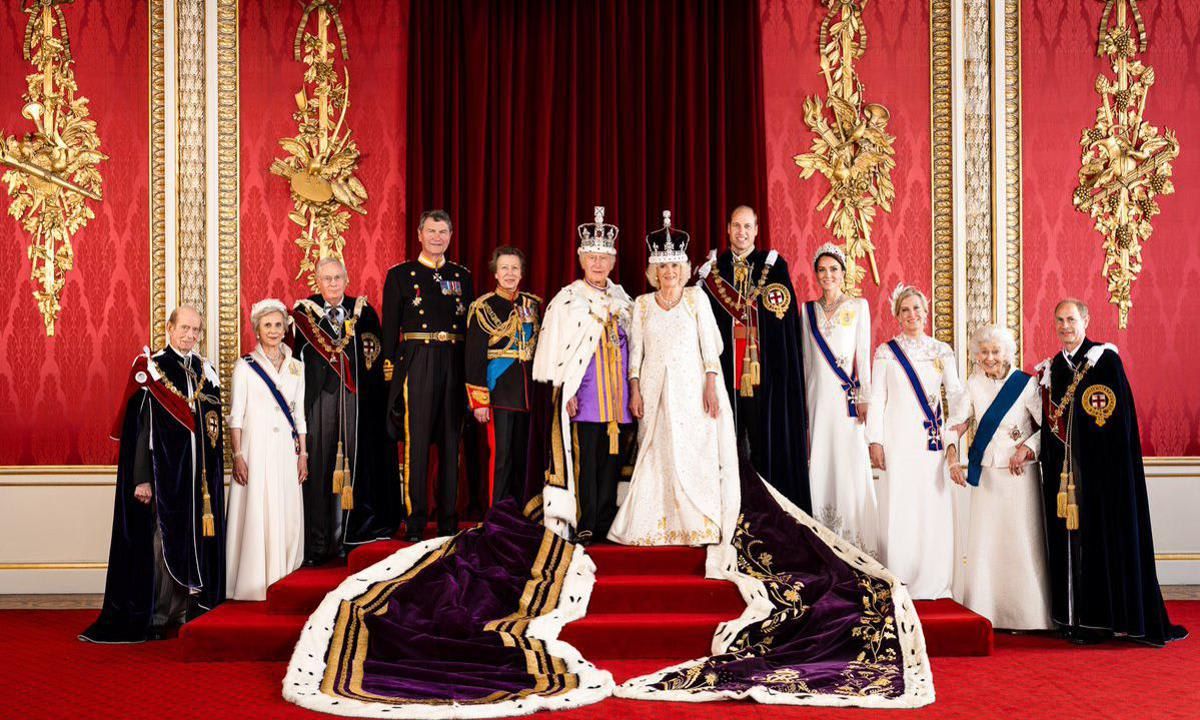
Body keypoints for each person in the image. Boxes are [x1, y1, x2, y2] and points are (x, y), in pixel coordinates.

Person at [1037, 298, 1186, 646]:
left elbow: (1118, 423)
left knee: (1100, 542)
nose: (1065, 326)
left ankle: (1103, 622)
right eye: (1059, 320)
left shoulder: (1105, 361)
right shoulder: (1053, 368)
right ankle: (1071, 619)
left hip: (1103, 477)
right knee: (1068, 544)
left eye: (1071, 319)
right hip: (1064, 479)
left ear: (1086, 320)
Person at [80, 306, 225, 643]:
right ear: (169, 328)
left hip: (196, 482)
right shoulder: (152, 368)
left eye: (196, 330)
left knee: (192, 543)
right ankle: (159, 615)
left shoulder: (204, 370)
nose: (190, 335)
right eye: (184, 328)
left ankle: (185, 610)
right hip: (164, 478)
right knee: (163, 542)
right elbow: (141, 428)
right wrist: (141, 478)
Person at [609, 212, 735, 546]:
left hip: (692, 389)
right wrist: (634, 389)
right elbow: (635, 353)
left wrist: (711, 384)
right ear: (654, 271)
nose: (669, 273)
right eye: (663, 267)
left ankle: (697, 523)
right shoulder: (643, 304)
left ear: (684, 268)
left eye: (675, 267)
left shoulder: (696, 298)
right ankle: (654, 525)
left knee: (693, 450)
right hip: (653, 390)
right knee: (656, 452)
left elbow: (711, 348)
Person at [532, 206, 635, 543]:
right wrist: (566, 391)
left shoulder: (624, 300)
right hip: (586, 396)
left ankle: (607, 521)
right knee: (586, 463)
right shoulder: (568, 300)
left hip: (618, 399)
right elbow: (557, 353)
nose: (597, 264)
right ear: (581, 259)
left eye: (603, 258)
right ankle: (586, 521)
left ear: (612, 262)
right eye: (591, 257)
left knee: (611, 463)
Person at [698, 205, 811, 511]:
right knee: (727, 445)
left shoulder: (773, 267)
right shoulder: (713, 271)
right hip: (724, 374)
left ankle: (766, 511)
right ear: (727, 229)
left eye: (747, 226)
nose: (742, 232)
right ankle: (728, 510)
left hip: (763, 376)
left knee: (763, 445)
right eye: (736, 226)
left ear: (756, 230)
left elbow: (783, 321)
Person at [292, 257, 399, 564]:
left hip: (355, 404)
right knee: (322, 467)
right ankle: (319, 542)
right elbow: (297, 364)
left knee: (352, 468)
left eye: (338, 277)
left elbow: (374, 362)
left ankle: (349, 536)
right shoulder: (304, 313)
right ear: (318, 282)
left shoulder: (363, 313)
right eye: (327, 278)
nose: (333, 283)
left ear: (347, 279)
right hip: (320, 402)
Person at [944, 324, 1051, 630]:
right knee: (988, 543)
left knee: (1021, 540)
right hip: (989, 473)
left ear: (1008, 352)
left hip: (1020, 475)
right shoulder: (973, 383)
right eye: (983, 352)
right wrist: (953, 457)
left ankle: (1030, 615)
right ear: (976, 356)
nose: (989, 358)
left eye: (995, 351)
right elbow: (957, 423)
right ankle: (989, 611)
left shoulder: (1027, 384)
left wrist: (1028, 449)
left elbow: (1048, 428)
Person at [865, 284, 963, 599]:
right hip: (897, 441)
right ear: (897, 315)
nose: (912, 315)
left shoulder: (941, 350)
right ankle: (900, 574)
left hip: (930, 444)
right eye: (905, 310)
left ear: (926, 312)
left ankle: (933, 577)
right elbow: (877, 398)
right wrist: (875, 440)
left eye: (917, 309)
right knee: (900, 505)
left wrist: (956, 429)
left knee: (930, 506)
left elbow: (957, 394)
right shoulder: (885, 351)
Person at [382, 210, 474, 541]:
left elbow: (469, 330)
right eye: (431, 231)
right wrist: (392, 375)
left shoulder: (461, 276)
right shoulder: (400, 276)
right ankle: (416, 521)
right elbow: (390, 331)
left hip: (453, 359)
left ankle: (449, 521)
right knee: (416, 443)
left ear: (450, 236)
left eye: (443, 231)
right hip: (417, 361)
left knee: (452, 442)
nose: (437, 237)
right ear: (419, 234)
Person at [800, 243, 879, 557]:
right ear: (816, 274)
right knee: (821, 459)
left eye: (834, 269)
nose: (827, 275)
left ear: (844, 274)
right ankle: (823, 535)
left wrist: (865, 397)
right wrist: (806, 405)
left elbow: (864, 357)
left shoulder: (858, 307)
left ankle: (854, 539)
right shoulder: (807, 310)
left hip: (847, 402)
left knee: (848, 462)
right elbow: (807, 362)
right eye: (822, 270)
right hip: (819, 399)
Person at [226, 299, 307, 600]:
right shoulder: (244, 366)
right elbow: (236, 415)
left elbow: (299, 416)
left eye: (278, 325)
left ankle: (285, 579)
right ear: (257, 330)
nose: (274, 331)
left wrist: (304, 455)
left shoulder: (297, 367)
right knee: (258, 509)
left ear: (286, 328)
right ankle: (253, 583)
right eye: (267, 325)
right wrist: (238, 455)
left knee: (285, 509)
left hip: (287, 451)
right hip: (255, 448)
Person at [465, 246, 542, 507]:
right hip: (498, 393)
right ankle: (497, 514)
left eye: (515, 268)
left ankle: (521, 511)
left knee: (524, 458)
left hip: (527, 393)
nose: (510, 273)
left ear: (521, 273)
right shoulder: (483, 307)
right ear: (495, 273)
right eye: (504, 268)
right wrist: (479, 401)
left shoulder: (532, 305)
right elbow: (474, 357)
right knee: (501, 458)